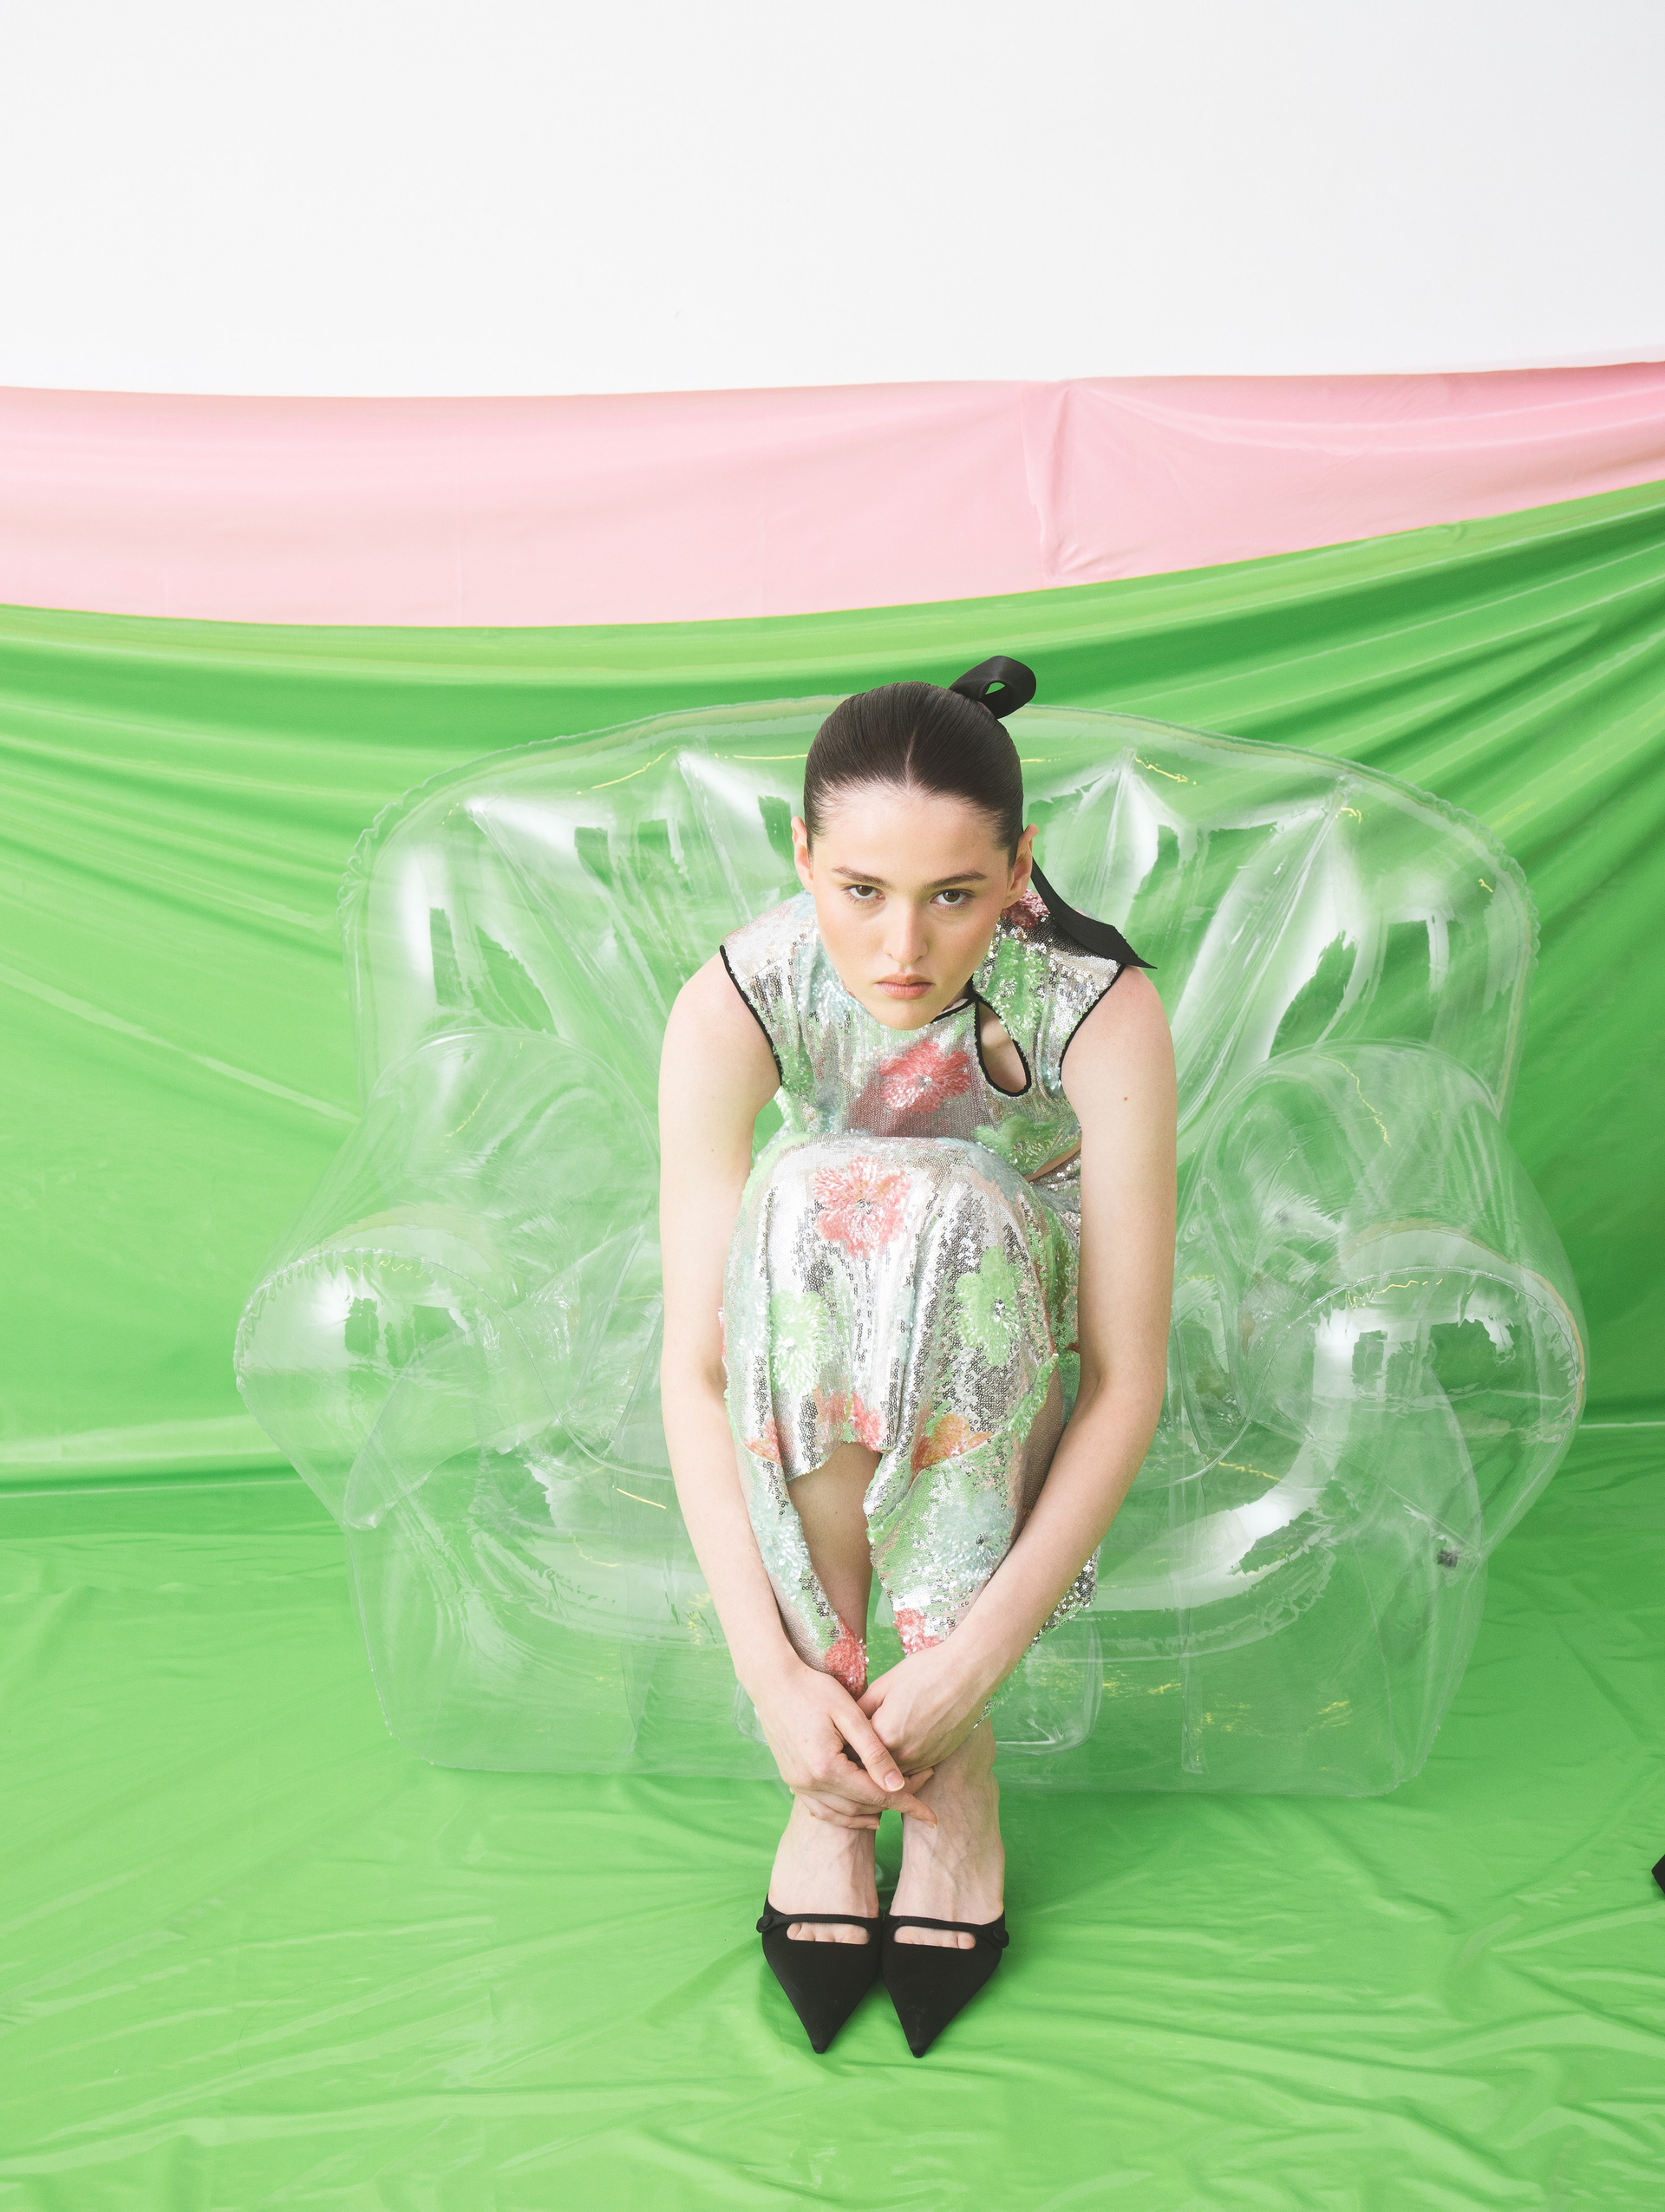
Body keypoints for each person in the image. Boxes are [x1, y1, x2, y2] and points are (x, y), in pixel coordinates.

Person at [657, 658, 1176, 2056]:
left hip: (1005, 1379)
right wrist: (775, 1682)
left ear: (1019, 868)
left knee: (939, 1201)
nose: (902, 947)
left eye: (953, 895)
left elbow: (1128, 1378)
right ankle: (833, 1769)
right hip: (814, 1364)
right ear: (802, 858)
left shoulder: (1096, 1002)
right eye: (861, 891)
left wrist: (970, 1673)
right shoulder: (737, 998)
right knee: (808, 1194)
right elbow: (697, 1368)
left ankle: (949, 1773)